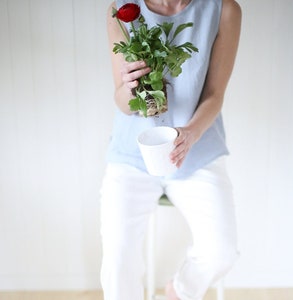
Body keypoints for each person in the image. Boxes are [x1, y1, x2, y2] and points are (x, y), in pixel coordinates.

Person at [100, 1, 242, 300]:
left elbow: (215, 94)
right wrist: (128, 85)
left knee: (222, 251)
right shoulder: (121, 8)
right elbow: (123, 104)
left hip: (197, 148)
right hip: (132, 155)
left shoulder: (224, 9)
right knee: (117, 259)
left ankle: (179, 290)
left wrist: (190, 134)